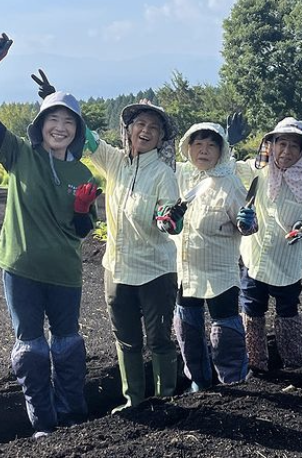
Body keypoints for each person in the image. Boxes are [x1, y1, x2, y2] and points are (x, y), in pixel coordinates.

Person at [0, 33, 99, 438]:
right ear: (40, 126)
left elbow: (83, 231)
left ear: (77, 130)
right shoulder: (19, 155)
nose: (60, 128)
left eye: (68, 122)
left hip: (64, 272)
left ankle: (73, 416)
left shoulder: (83, 174)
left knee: (67, 345)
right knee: (31, 348)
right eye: (52, 120)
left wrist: (82, 210)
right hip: (22, 268)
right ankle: (43, 423)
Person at [83, 99, 181, 413]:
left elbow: (170, 219)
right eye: (140, 124)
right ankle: (133, 400)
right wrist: (57, 101)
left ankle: (166, 399)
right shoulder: (114, 161)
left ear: (161, 138)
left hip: (155, 270)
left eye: (154, 127)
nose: (146, 131)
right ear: (129, 129)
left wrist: (168, 220)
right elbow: (86, 137)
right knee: (126, 339)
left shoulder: (163, 174)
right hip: (116, 268)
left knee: (159, 339)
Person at [161, 122, 250, 392]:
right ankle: (198, 380)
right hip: (186, 269)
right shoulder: (180, 175)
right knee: (187, 327)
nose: (204, 150)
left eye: (212, 145)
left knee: (225, 330)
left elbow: (248, 225)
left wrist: (248, 222)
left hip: (219, 271)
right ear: (188, 147)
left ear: (221, 151)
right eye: (198, 144)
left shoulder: (230, 183)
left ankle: (233, 381)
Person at [234, 118, 302, 371]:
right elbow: (226, 169)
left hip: (288, 262)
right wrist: (230, 144)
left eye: (294, 146)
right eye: (281, 144)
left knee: (287, 311)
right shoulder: (257, 173)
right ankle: (256, 364)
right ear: (271, 146)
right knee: (252, 311)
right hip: (255, 258)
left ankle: (296, 364)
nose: (286, 151)